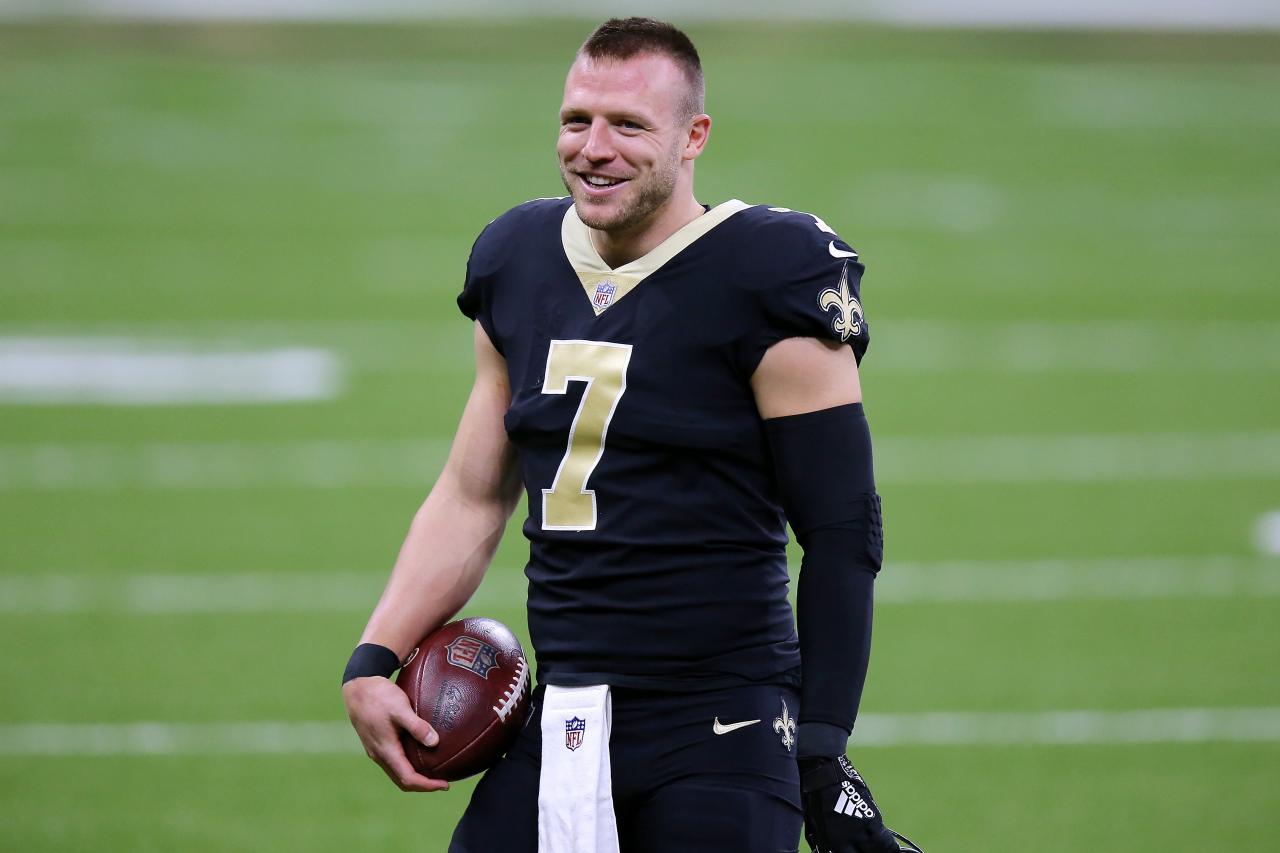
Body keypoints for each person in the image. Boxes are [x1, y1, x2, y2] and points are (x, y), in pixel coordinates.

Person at [343, 17, 911, 853]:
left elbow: (839, 532)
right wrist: (372, 658)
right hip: (562, 715)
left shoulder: (767, 271)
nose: (594, 148)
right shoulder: (518, 257)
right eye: (578, 120)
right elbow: (471, 495)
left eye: (629, 125)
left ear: (693, 138)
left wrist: (822, 749)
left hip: (723, 725)